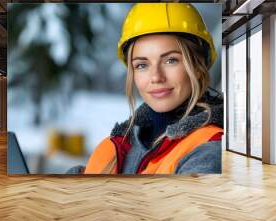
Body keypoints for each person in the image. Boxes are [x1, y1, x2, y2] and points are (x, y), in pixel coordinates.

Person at [67, 3, 223, 174]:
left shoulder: (210, 149)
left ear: (198, 67)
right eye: (142, 65)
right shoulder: (118, 146)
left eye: (171, 60)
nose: (156, 77)